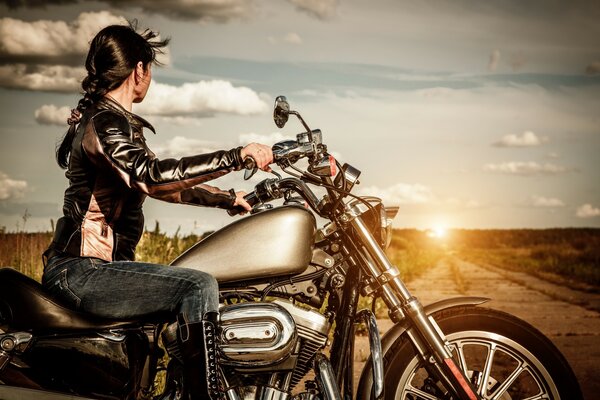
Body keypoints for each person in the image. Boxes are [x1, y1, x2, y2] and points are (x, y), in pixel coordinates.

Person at [41, 23, 273, 399]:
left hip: (97, 269)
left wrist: (228, 199)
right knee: (198, 285)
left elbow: (168, 187)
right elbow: (152, 177)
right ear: (139, 70)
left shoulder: (115, 122)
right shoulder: (105, 122)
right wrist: (236, 155)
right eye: (150, 70)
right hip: (81, 270)